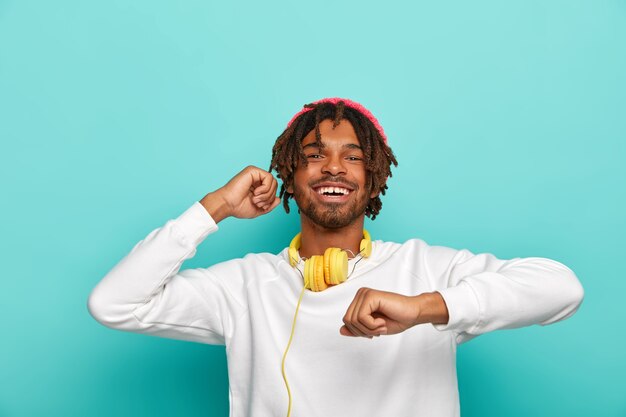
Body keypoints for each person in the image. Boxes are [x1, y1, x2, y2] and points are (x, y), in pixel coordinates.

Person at [87, 98, 584, 417]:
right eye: (313, 153)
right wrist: (215, 207)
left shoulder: (429, 270)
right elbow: (114, 304)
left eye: (352, 155)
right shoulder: (241, 287)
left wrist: (424, 308)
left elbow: (562, 288)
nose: (333, 168)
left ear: (374, 176)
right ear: (288, 172)